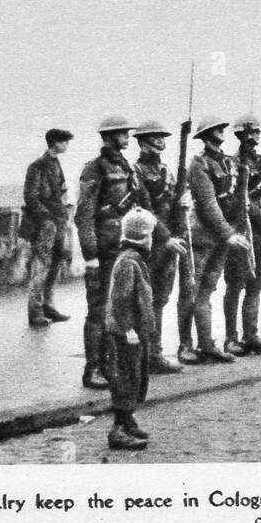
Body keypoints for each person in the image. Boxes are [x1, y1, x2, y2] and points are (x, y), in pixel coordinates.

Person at [76, 115, 183, 389]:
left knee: (126, 308)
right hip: (104, 249)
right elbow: (84, 215)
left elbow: (145, 211)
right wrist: (90, 255)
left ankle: (124, 362)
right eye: (123, 133)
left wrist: (166, 238)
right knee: (99, 310)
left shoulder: (129, 170)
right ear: (111, 136)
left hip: (125, 249)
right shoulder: (95, 168)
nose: (127, 137)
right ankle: (94, 369)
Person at [185, 116, 251, 364]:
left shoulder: (228, 162)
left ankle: (207, 343)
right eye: (218, 129)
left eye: (222, 128)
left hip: (224, 234)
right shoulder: (199, 163)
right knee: (196, 292)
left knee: (208, 289)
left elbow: (235, 199)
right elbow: (208, 204)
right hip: (204, 235)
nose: (223, 131)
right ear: (207, 134)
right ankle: (193, 344)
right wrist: (229, 233)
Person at [131, 120, 185, 374]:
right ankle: (143, 354)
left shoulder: (166, 170)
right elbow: (145, 209)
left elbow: (172, 205)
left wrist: (180, 223)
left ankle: (155, 352)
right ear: (143, 142)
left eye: (162, 138)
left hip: (168, 241)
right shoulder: (137, 172)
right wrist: (167, 237)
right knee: (144, 299)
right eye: (155, 138)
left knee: (161, 298)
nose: (160, 142)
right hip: (149, 243)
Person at [104, 208, 158, 451]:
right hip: (128, 333)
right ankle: (118, 429)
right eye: (151, 235)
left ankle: (128, 422)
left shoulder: (135, 260)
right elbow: (120, 300)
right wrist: (127, 328)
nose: (153, 239)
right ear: (143, 237)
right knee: (126, 377)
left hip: (136, 331)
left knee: (136, 375)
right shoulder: (128, 262)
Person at [223, 113, 261, 356]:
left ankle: (251, 334)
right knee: (236, 284)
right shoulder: (233, 162)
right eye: (250, 133)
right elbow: (241, 197)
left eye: (257, 133)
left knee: (257, 284)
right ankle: (232, 338)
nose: (254, 137)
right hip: (244, 226)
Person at [21, 127, 74, 328]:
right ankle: (35, 311)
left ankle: (48, 306)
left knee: (55, 263)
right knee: (41, 265)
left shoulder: (55, 163)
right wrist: (46, 219)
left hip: (58, 220)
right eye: (64, 141)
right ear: (54, 143)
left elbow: (60, 191)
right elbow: (31, 197)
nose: (66, 145)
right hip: (45, 224)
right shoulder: (37, 166)